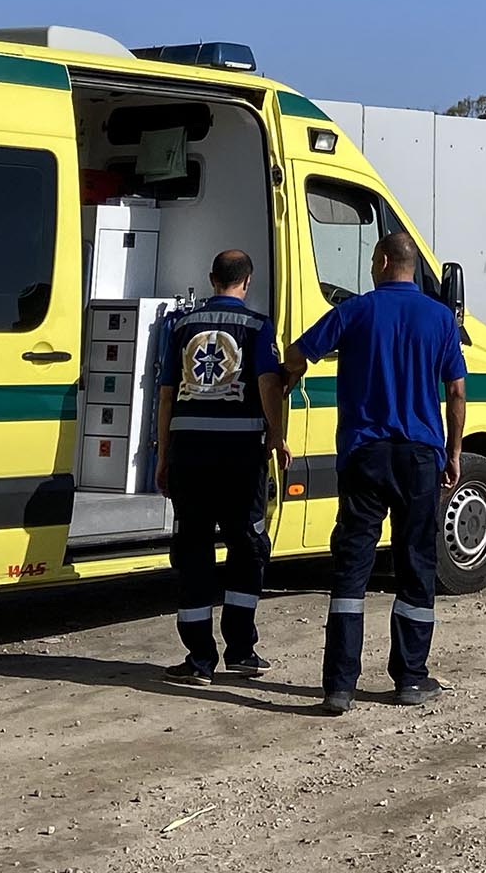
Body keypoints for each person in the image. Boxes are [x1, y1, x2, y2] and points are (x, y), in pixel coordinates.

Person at [279, 228, 466, 715]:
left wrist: (289, 378)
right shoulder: (441, 318)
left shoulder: (354, 311)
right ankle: (409, 677)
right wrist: (453, 452)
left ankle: (338, 686)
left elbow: (296, 355)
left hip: (364, 454)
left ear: (382, 261)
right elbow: (457, 391)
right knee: (416, 563)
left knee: (353, 566)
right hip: (419, 456)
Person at [154, 248, 289, 683]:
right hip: (239, 456)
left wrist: (162, 455)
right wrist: (277, 434)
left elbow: (166, 395)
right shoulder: (256, 326)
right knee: (246, 545)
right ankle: (241, 650)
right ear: (246, 282)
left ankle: (197, 659)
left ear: (212, 279)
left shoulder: (180, 326)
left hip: (189, 453)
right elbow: (269, 383)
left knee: (192, 548)